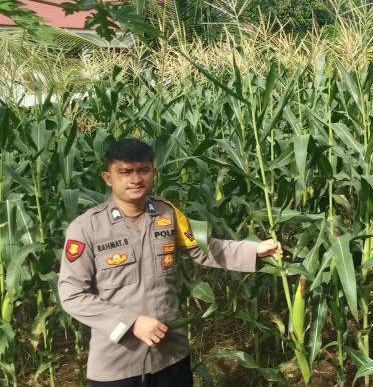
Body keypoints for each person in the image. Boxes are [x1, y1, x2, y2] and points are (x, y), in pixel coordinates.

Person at [57, 138, 281, 386]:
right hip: (118, 363)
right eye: (125, 172)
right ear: (108, 178)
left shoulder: (168, 214)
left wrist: (254, 250)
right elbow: (72, 294)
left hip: (171, 355)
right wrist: (131, 323)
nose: (135, 179)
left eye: (143, 170)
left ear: (154, 173)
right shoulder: (86, 228)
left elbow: (203, 249)